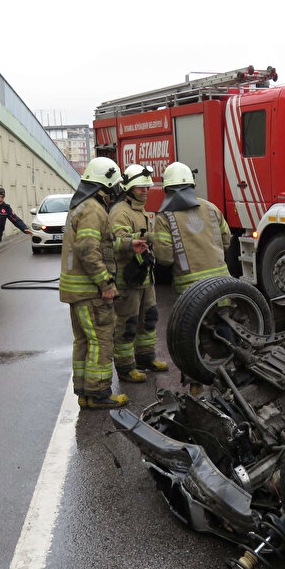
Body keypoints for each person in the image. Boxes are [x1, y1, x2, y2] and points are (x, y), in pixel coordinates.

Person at [59, 158, 134, 410]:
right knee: (101, 339)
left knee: (83, 341)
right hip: (91, 291)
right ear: (107, 182)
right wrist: (105, 283)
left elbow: (98, 243)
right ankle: (100, 392)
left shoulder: (81, 206)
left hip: (77, 291)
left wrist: (129, 244)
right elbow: (88, 249)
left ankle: (84, 392)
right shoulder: (94, 209)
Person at [109, 164, 170, 383]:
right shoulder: (120, 212)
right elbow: (115, 243)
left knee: (149, 317)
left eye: (147, 188)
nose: (145, 192)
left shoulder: (139, 210)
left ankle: (145, 357)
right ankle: (125, 368)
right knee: (128, 322)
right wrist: (144, 238)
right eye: (140, 188)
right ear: (128, 188)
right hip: (128, 278)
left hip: (144, 277)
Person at [151, 162, 231, 295]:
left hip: (191, 293)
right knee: (224, 313)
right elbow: (226, 241)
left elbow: (165, 258)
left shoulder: (164, 217)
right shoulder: (211, 208)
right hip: (222, 283)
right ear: (192, 184)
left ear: (166, 188)